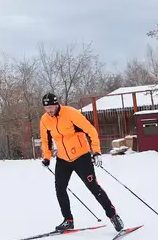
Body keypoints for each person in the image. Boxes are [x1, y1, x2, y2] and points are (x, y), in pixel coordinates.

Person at [39, 92, 125, 232]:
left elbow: (90, 130)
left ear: (57, 104)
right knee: (60, 189)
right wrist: (47, 158)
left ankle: (113, 216)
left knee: (93, 188)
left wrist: (96, 151)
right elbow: (46, 140)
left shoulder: (70, 113)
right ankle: (68, 220)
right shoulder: (44, 120)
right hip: (63, 158)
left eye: (52, 107)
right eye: (46, 108)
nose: (49, 110)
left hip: (81, 156)